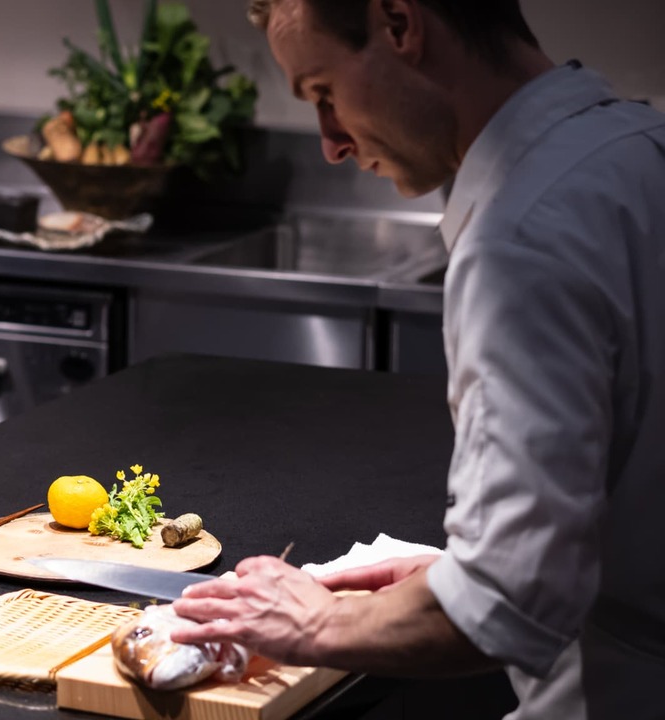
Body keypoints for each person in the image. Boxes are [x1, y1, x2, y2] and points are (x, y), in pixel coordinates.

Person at [169, 1, 665, 717]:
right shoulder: (639, 147)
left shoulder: (520, 238)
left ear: (399, 24)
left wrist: (315, 622)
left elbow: (506, 602)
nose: (331, 143)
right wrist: (451, 574)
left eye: (324, 93)